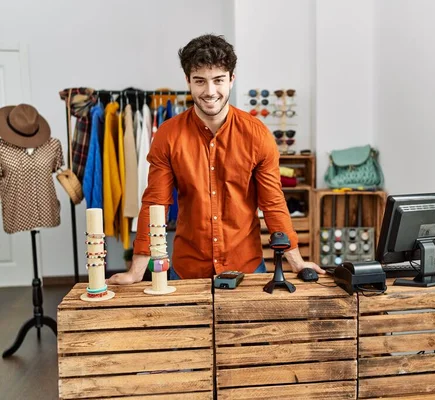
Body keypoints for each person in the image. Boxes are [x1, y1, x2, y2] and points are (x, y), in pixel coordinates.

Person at [108, 34, 323, 284]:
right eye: (200, 81)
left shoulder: (257, 135)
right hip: (188, 271)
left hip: (246, 269)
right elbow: (156, 204)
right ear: (188, 81)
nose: (210, 92)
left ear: (231, 80)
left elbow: (273, 203)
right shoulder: (167, 135)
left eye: (218, 80)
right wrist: (136, 272)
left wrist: (296, 263)